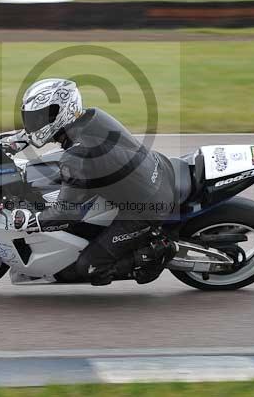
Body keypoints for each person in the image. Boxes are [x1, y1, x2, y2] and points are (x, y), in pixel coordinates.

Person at [10, 78, 177, 285]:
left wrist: (33, 221)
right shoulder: (91, 117)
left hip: (147, 207)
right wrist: (20, 139)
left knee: (89, 267)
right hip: (154, 170)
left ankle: (158, 252)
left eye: (38, 118)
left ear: (59, 113)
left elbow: (67, 211)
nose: (33, 124)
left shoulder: (77, 155)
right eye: (31, 118)